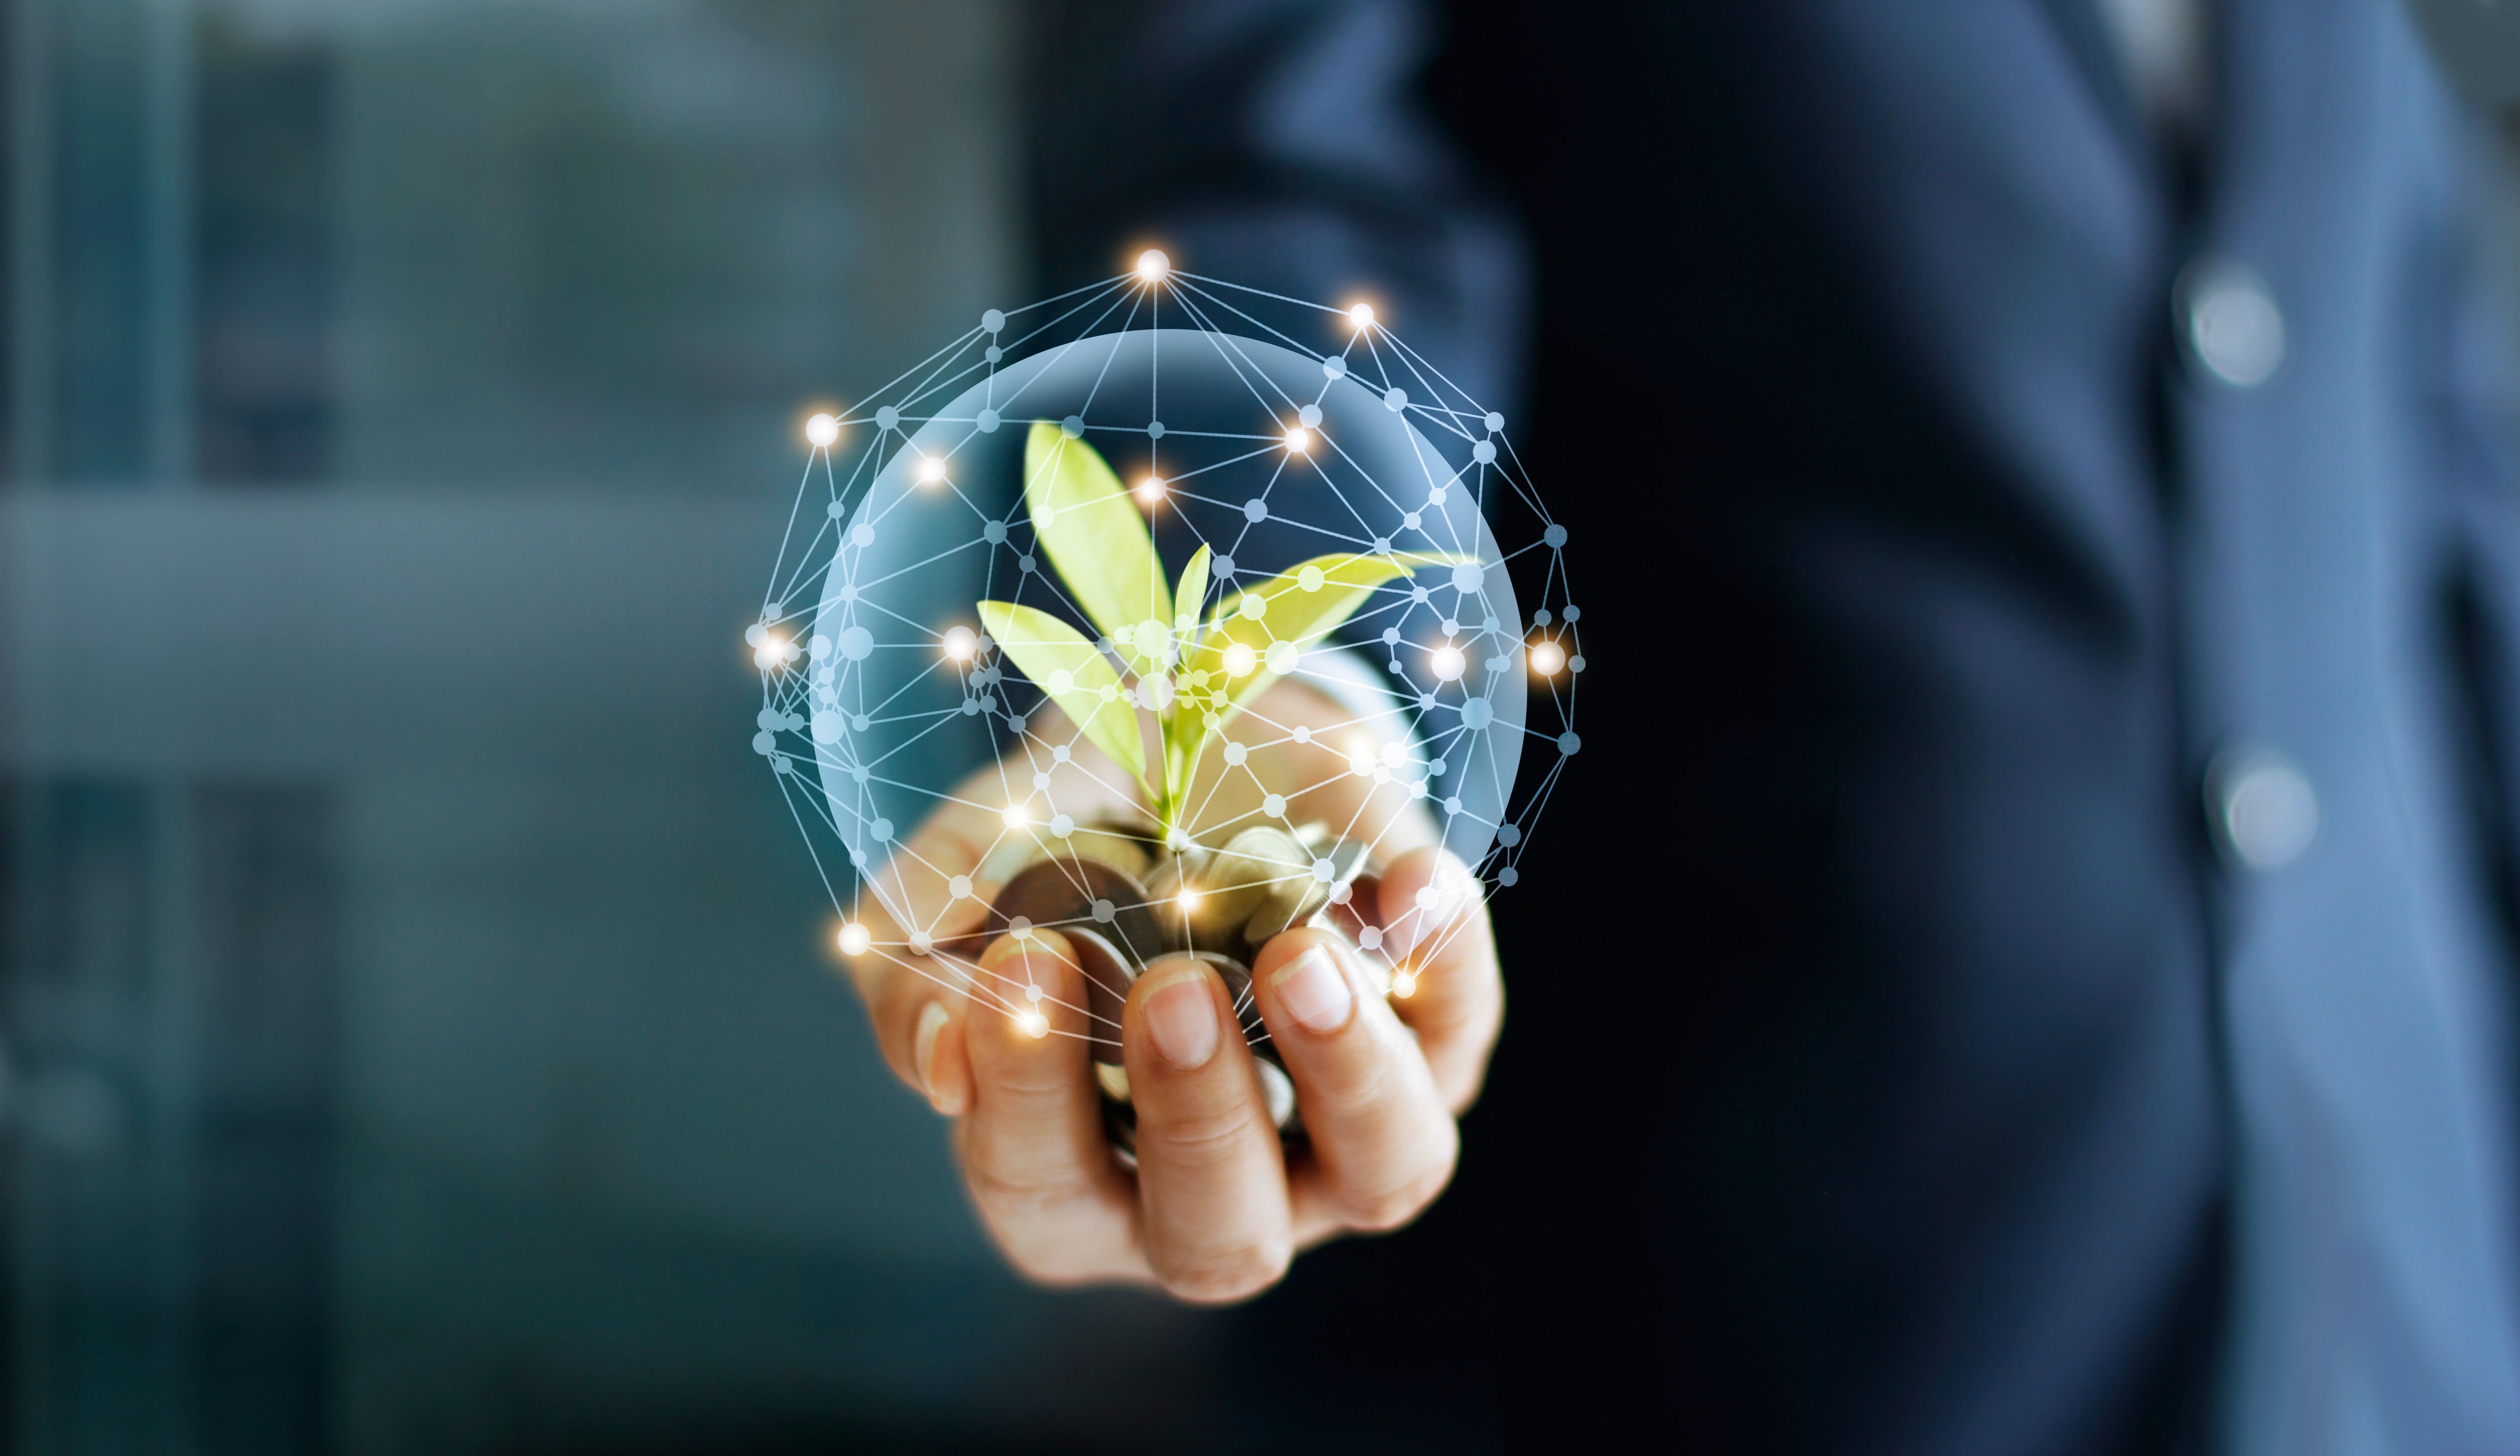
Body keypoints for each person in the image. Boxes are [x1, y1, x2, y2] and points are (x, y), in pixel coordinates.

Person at [855, 1, 2520, 1449]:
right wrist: (1276, 700)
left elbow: (2419, 454)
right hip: (1754, 1298)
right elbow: (1260, 195)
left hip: (2403, 1291)